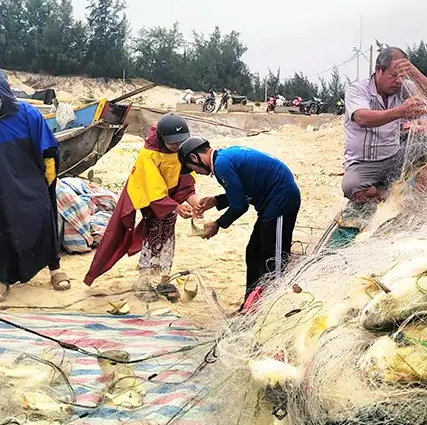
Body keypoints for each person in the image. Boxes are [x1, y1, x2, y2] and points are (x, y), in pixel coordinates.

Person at [0, 60, 69, 302]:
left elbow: (47, 147)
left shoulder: (28, 115)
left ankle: (55, 268)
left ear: (2, 94)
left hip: (28, 182)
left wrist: (49, 171)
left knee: (41, 218)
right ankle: (3, 278)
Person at [83, 114, 197, 300]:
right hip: (151, 202)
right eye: (173, 143)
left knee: (167, 238)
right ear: (161, 138)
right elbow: (153, 188)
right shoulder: (149, 154)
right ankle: (143, 281)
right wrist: (176, 206)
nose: (177, 146)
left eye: (180, 142)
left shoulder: (180, 152)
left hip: (169, 204)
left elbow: (185, 181)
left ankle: (163, 278)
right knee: (152, 237)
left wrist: (194, 203)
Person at [178, 136, 301, 303]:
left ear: (194, 158)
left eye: (192, 168)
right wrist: (216, 201)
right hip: (269, 202)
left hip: (280, 200)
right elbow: (244, 188)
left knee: (273, 260)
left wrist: (218, 224)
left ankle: (274, 305)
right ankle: (250, 305)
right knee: (254, 252)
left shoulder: (221, 165)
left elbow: (239, 205)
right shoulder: (225, 157)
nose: (196, 172)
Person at [342, 47, 427, 203]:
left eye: (402, 76)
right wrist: (399, 112)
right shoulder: (357, 90)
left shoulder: (402, 88)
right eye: (393, 75)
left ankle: (418, 199)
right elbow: (362, 118)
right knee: (351, 187)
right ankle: (386, 196)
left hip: (394, 157)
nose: (398, 80)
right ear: (378, 70)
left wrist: (413, 71)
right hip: (363, 163)